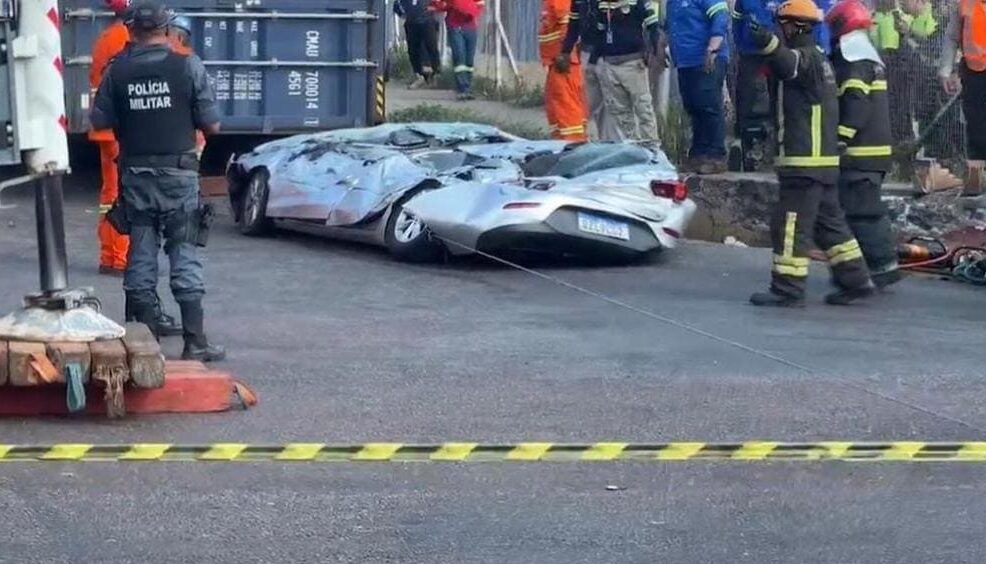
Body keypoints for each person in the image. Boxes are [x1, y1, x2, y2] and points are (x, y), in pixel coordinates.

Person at [91, 0, 225, 361]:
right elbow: (212, 125)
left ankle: (144, 345)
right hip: (179, 176)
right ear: (167, 30)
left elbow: (99, 121)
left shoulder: (116, 71)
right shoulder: (187, 66)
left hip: (136, 176)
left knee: (140, 252)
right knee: (184, 253)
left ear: (130, 30)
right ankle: (195, 343)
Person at [747, 0, 874, 307]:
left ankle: (787, 289)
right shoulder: (820, 59)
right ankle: (856, 280)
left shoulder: (805, 60)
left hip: (805, 163)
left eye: (785, 25)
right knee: (830, 226)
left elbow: (786, 64)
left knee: (790, 225)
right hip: (822, 163)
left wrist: (766, 42)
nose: (782, 29)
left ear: (798, 27)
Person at [90, 0, 182, 336]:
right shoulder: (124, 42)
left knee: (111, 193)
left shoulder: (105, 38)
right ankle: (117, 256)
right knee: (122, 197)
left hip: (108, 129)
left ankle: (112, 254)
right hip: (126, 133)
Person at [827, 0, 901, 288]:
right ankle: (871, 266)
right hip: (872, 153)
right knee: (861, 210)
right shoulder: (867, 58)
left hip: (861, 154)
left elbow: (856, 103)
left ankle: (881, 267)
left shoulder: (853, 62)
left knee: (863, 213)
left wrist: (841, 138)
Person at [558, 0, 663, 143]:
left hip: (632, 63)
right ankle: (630, 149)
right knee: (618, 111)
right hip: (604, 60)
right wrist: (571, 52)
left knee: (643, 108)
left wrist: (655, 47)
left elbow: (652, 24)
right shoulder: (602, 5)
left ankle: (652, 148)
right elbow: (588, 29)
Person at [666, 0, 731, 173]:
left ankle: (716, 156)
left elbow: (721, 16)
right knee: (693, 107)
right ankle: (698, 155)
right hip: (685, 61)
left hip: (706, 58)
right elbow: (670, 26)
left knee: (708, 105)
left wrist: (713, 46)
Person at [939, 0, 986, 188]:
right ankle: (977, 182)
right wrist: (945, 70)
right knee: (975, 128)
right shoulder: (965, 4)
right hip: (974, 73)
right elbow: (952, 37)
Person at [731, 0, 781, 172]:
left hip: (776, 54)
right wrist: (741, 47)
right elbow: (736, 22)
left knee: (778, 101)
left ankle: (775, 149)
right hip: (750, 54)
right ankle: (748, 149)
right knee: (747, 101)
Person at [569, 1, 622, 140]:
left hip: (610, 55)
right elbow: (574, 22)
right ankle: (577, 143)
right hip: (588, 53)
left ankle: (610, 147)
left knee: (611, 109)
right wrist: (566, 50)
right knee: (584, 106)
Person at [541, 0, 588, 141]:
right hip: (558, 62)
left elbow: (569, 25)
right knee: (558, 108)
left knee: (566, 107)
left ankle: (573, 145)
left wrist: (565, 54)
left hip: (563, 63)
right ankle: (565, 144)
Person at [167, 13, 207, 159]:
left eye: (168, 34)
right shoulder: (194, 63)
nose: (165, 39)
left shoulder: (171, 62)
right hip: (190, 137)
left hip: (178, 138)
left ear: (179, 37)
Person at [430, 0, 484, 100]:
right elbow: (439, 4)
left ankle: (468, 87)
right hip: (455, 26)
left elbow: (480, 4)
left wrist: (472, 12)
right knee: (459, 55)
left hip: (470, 26)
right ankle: (462, 88)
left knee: (469, 59)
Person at [395, 0, 442, 89]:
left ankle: (435, 74)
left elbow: (440, 3)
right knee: (413, 50)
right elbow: (397, 5)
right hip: (411, 23)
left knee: (431, 47)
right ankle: (419, 76)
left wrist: (435, 9)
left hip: (427, 21)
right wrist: (404, 14)